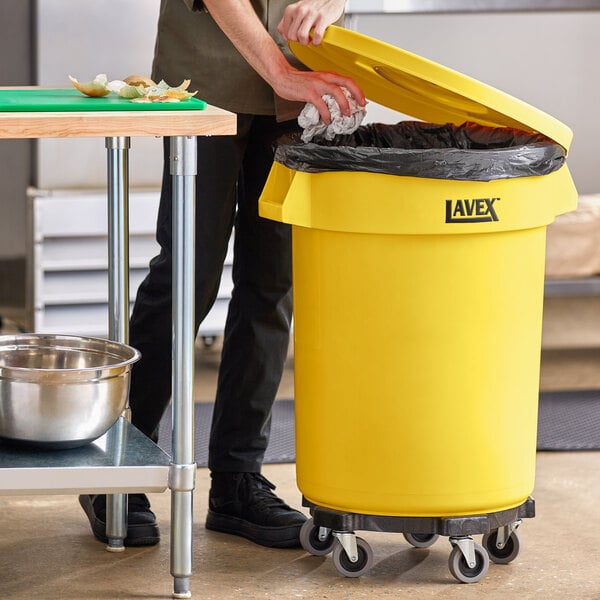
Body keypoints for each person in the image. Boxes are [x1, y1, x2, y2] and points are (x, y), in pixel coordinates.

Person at [79, 0, 365, 549]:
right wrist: (278, 70)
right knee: (188, 275)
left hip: (305, 75)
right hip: (211, 72)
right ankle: (117, 467)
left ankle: (237, 481)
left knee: (272, 282)